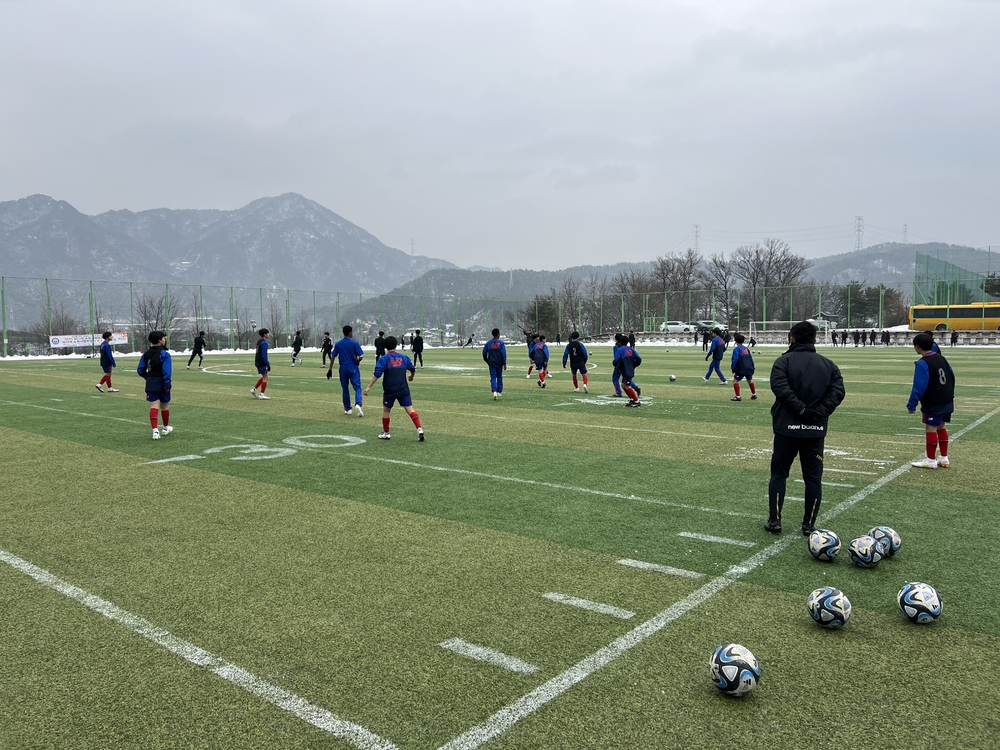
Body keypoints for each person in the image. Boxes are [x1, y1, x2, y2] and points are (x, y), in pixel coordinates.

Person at [765, 321, 846, 536]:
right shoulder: (829, 365)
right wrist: (817, 413)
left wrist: (801, 410)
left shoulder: (782, 362)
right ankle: (809, 525)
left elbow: (780, 388)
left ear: (792, 339)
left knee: (779, 475)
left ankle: (775, 521)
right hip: (814, 431)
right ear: (815, 339)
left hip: (786, 429)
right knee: (813, 478)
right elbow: (838, 392)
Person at [907, 332, 955, 469]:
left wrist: (912, 404)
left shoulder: (923, 363)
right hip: (947, 399)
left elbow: (919, 386)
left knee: (931, 429)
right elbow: (952, 376)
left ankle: (931, 460)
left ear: (917, 347)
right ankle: (944, 458)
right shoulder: (942, 358)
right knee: (941, 427)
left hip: (933, 401)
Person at [364, 336, 423, 441]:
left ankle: (386, 433)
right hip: (403, 389)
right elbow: (412, 368)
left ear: (385, 346)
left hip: (389, 390)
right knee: (410, 409)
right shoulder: (404, 357)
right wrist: (412, 376)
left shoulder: (384, 359)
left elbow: (377, 374)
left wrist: (369, 386)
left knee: (386, 410)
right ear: (396, 345)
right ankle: (419, 429)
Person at [137, 331, 173, 439]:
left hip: (151, 382)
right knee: (164, 405)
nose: (165, 340)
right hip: (162, 382)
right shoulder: (165, 354)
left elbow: (140, 370)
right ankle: (165, 428)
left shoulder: (146, 354)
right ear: (159, 340)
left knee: (153, 405)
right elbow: (167, 371)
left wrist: (148, 377)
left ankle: (155, 431)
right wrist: (167, 383)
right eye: (163, 338)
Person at [327, 324, 365, 417]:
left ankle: (348, 409)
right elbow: (361, 356)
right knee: (357, 387)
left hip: (343, 367)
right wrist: (357, 361)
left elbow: (333, 357)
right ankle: (358, 403)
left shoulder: (338, 344)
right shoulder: (354, 343)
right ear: (350, 332)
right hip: (353, 367)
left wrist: (330, 369)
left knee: (345, 388)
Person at [613, 337, 642, 407]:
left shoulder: (620, 350)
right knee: (623, 385)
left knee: (627, 386)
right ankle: (632, 399)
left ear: (620, 342)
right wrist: (634, 365)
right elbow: (639, 359)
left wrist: (616, 364)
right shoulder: (631, 349)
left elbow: (616, 359)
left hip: (625, 369)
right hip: (629, 368)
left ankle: (636, 401)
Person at [730, 333, 757, 402]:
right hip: (749, 367)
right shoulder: (746, 349)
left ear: (736, 341)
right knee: (749, 380)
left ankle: (738, 396)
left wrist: (733, 368)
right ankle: (754, 394)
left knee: (735, 381)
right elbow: (750, 358)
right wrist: (752, 367)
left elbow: (735, 359)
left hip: (741, 367)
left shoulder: (736, 349)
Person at [483, 328, 507, 399]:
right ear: (498, 334)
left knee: (493, 377)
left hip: (491, 362)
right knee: (499, 376)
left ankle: (494, 391)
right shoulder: (501, 343)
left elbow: (484, 352)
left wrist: (487, 360)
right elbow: (503, 354)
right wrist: (504, 363)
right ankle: (499, 391)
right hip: (499, 362)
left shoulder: (488, 343)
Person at [251, 328, 272, 399]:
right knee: (265, 377)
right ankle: (261, 394)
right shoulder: (264, 343)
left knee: (264, 376)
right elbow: (264, 355)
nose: (268, 335)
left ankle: (254, 389)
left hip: (257, 361)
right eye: (267, 333)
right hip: (262, 362)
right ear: (264, 334)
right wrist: (267, 364)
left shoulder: (259, 341)